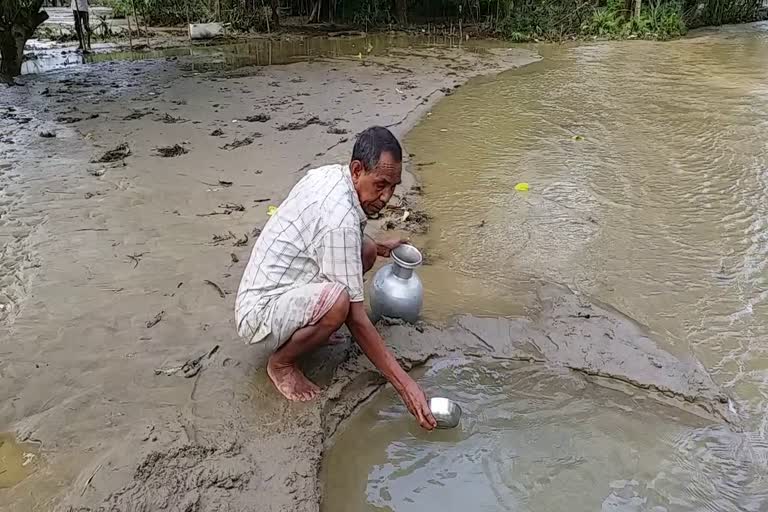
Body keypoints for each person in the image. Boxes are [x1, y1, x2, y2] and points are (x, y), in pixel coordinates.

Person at [236, 126, 437, 430]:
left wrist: (381, 248)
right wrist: (405, 385)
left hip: (282, 287)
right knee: (339, 304)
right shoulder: (339, 218)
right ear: (357, 170)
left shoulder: (332, 176)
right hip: (260, 314)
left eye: (393, 187)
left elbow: (338, 235)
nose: (386, 197)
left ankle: (312, 331)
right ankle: (282, 364)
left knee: (366, 250)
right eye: (380, 185)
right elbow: (356, 318)